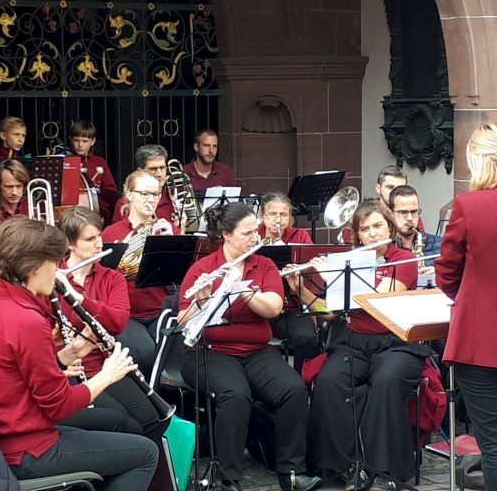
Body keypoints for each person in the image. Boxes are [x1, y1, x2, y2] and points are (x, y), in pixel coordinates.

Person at [0, 217, 158, 490]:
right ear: (33, 267)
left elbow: (10, 373)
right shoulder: (27, 321)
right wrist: (107, 375)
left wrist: (66, 355)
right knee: (146, 453)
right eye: (54, 263)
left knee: (115, 427)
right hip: (28, 449)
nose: (57, 272)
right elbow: (59, 406)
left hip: (2, 436)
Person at [178, 202, 322, 491]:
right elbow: (183, 321)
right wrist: (203, 299)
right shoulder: (203, 268)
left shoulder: (264, 265)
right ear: (227, 235)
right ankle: (228, 479)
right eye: (247, 233)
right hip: (209, 352)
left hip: (256, 350)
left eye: (255, 231)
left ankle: (292, 473)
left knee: (292, 389)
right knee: (235, 394)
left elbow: (273, 308)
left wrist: (241, 290)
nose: (255, 238)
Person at [306, 199, 429, 491]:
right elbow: (331, 312)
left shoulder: (404, 259)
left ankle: (386, 472)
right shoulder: (347, 261)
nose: (372, 234)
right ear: (357, 235)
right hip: (354, 342)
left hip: (397, 342)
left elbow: (381, 300)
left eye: (378, 226)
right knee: (329, 380)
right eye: (365, 229)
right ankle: (340, 466)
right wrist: (302, 289)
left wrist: (334, 279)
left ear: (389, 226)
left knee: (386, 381)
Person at [57, 206, 169, 441]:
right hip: (70, 373)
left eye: (99, 236)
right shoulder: (52, 280)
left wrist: (81, 300)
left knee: (151, 417)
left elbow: (118, 322)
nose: (99, 244)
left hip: (107, 366)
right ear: (69, 244)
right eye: (90, 239)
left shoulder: (112, 278)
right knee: (120, 422)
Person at [435, 123, 497, 491]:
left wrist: (469, 293)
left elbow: (446, 272)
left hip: (479, 338)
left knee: (492, 445)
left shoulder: (469, 205)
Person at [103, 169, 179, 376]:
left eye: (155, 194)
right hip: (128, 315)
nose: (151, 200)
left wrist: (173, 243)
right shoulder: (112, 233)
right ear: (129, 195)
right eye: (144, 194)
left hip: (161, 310)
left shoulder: (168, 229)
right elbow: (103, 278)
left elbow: (182, 276)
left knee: (174, 351)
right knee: (146, 353)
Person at [257, 192, 320, 373]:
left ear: (290, 217)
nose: (278, 219)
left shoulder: (300, 236)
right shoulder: (253, 237)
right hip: (258, 306)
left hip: (290, 308)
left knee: (307, 337)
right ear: (263, 216)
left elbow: (312, 274)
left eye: (283, 215)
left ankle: (304, 384)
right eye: (272, 214)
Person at [69, 120, 118, 224]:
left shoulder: (99, 162)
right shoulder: (66, 161)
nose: (80, 145)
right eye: (76, 140)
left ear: (93, 141)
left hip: (96, 212)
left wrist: (99, 207)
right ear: (71, 140)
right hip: (70, 213)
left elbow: (110, 190)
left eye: (85, 141)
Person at [112, 144, 175, 224]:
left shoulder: (174, 199)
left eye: (162, 168)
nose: (159, 174)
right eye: (153, 169)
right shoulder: (124, 203)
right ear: (140, 171)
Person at [388, 185, 441, 266]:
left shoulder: (440, 244)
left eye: (414, 212)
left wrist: (438, 272)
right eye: (403, 212)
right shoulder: (384, 248)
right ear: (391, 214)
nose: (410, 218)